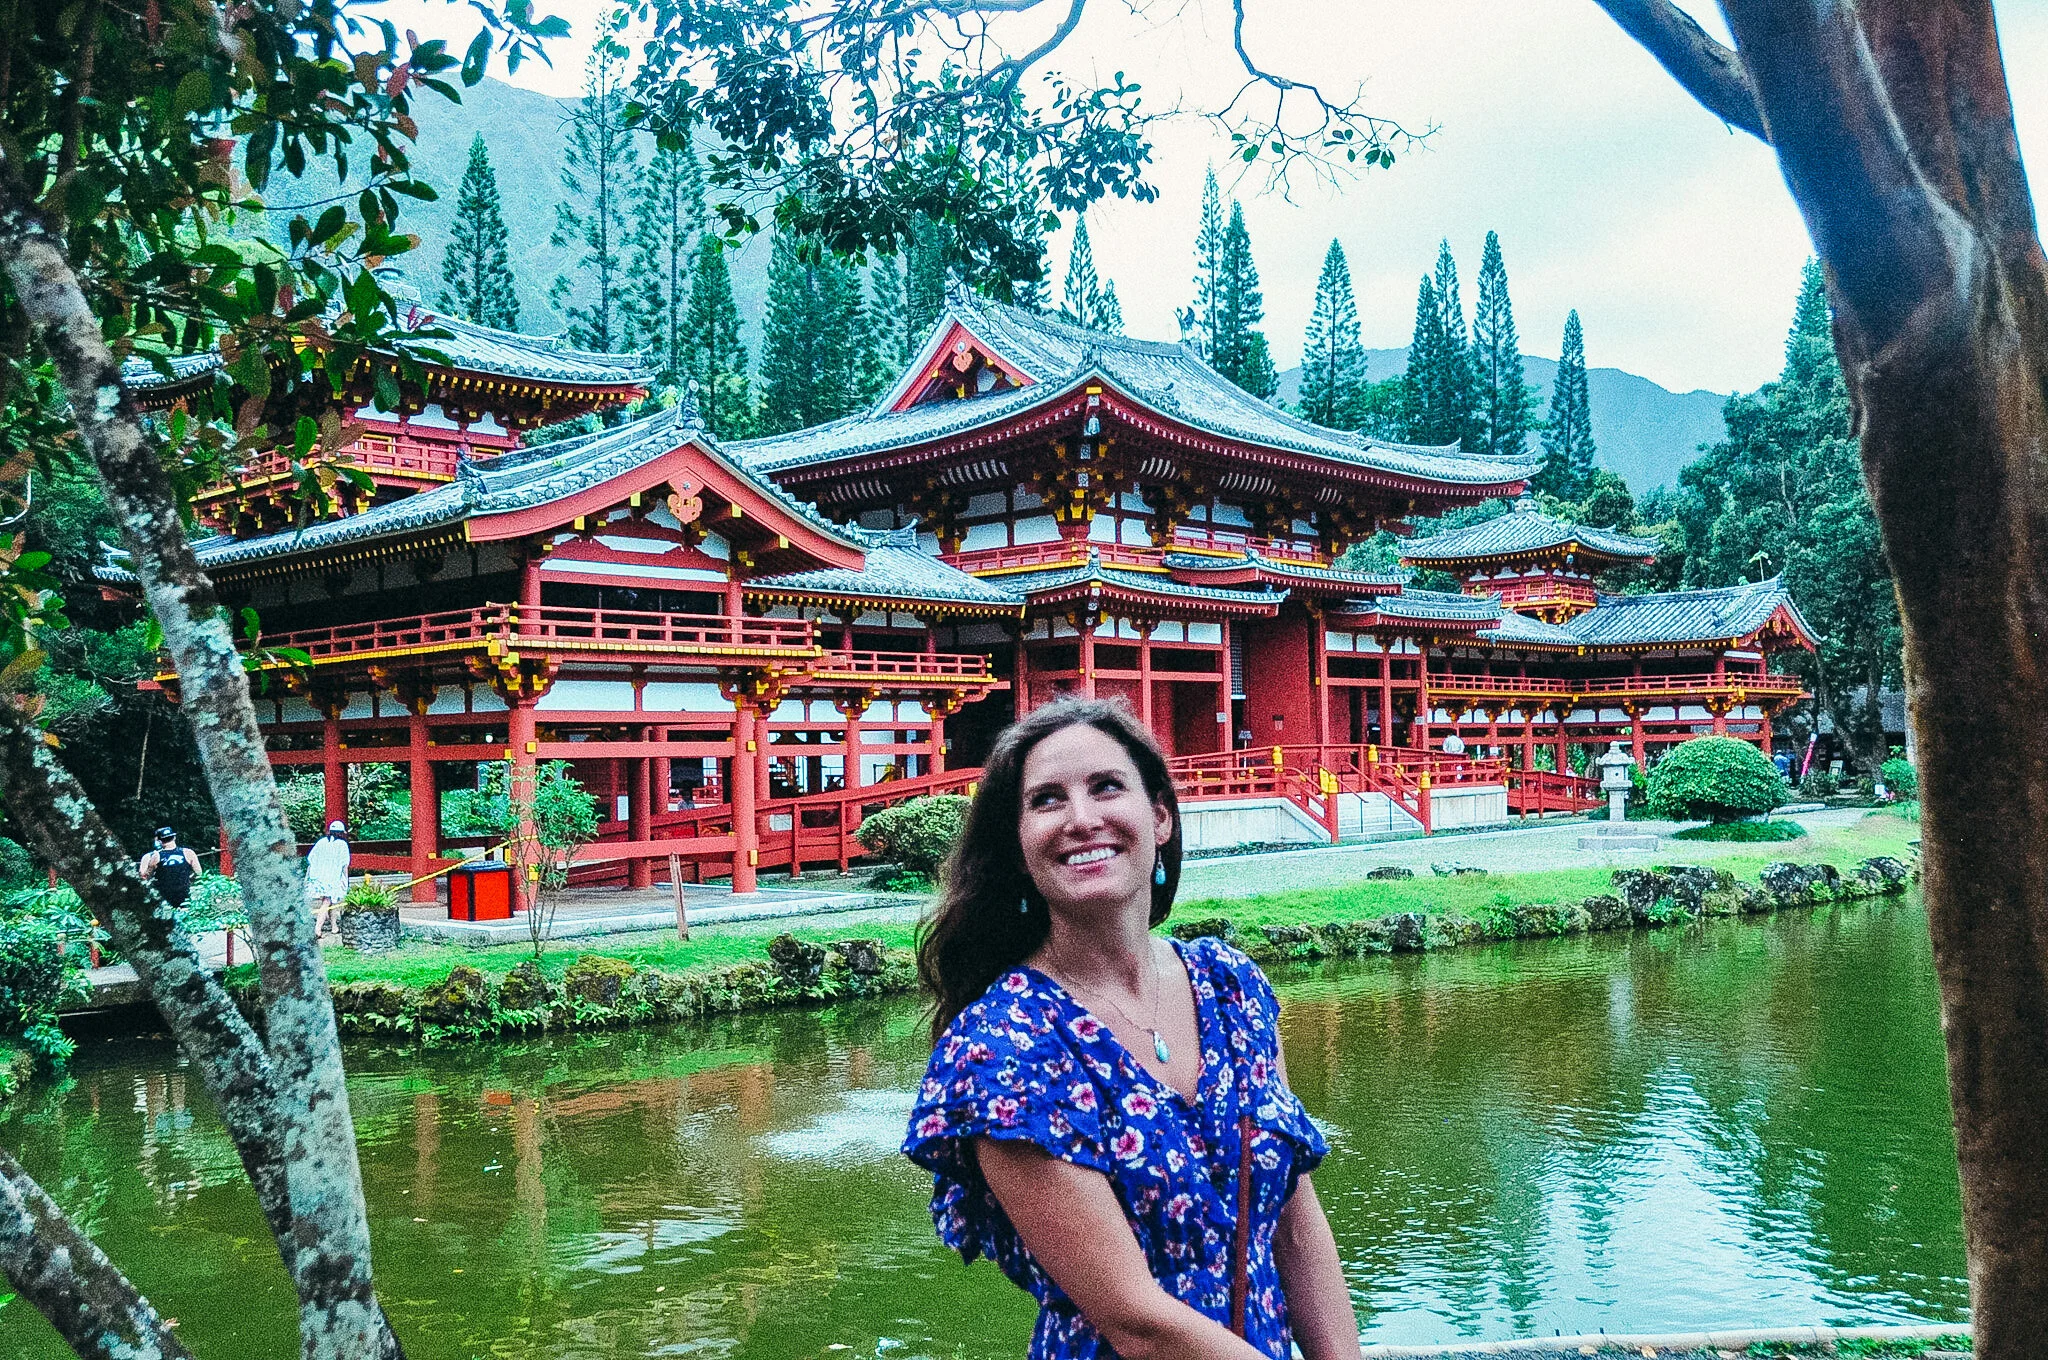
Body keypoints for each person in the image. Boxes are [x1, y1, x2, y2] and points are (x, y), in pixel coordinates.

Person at [903, 698, 1358, 1360]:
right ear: (1020, 845)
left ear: (1160, 817)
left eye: (1107, 787)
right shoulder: (1003, 1050)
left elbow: (1296, 1221)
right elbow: (1136, 1322)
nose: (1082, 819)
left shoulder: (1231, 988)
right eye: (1047, 800)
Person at [306, 819, 351, 938]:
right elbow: (344, 865)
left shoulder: (321, 842)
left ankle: (334, 926)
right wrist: (345, 881)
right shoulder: (342, 845)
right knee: (327, 902)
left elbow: (311, 859)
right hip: (332, 878)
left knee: (329, 900)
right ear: (341, 833)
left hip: (318, 877)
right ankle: (317, 928)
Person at [137, 827, 200, 909]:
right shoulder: (188, 853)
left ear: (159, 841)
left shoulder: (155, 856)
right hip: (185, 895)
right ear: (174, 837)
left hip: (164, 899)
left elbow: (145, 876)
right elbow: (199, 873)